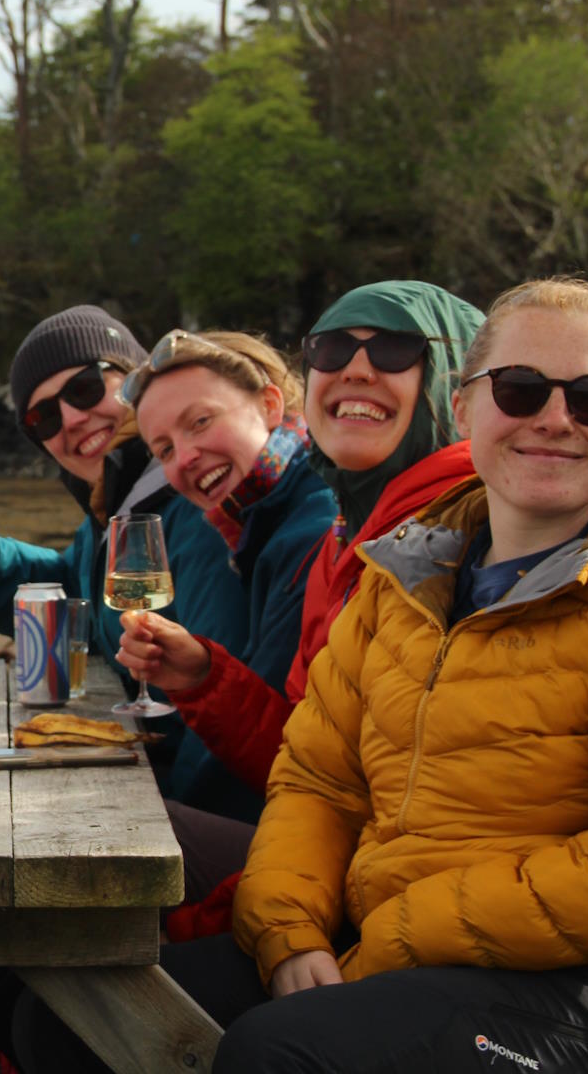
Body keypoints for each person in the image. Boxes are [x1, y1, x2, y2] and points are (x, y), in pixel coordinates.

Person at [15, 277, 588, 1073]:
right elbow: (317, 783)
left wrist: (386, 940)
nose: (554, 418)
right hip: (425, 956)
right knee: (67, 1025)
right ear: (466, 411)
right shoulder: (404, 584)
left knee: (281, 1052)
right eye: (521, 390)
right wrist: (289, 932)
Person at [121, 281, 485, 938]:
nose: (357, 367)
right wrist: (206, 677)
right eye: (333, 349)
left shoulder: (464, 537)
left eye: (396, 349)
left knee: (114, 836)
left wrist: (282, 917)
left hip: (402, 900)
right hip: (328, 856)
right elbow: (313, 757)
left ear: (458, 392)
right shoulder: (340, 538)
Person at [0, 305, 248, 808]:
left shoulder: (193, 503)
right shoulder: (112, 507)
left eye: (86, 388)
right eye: (42, 417)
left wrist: (165, 815)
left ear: (137, 381)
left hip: (210, 809)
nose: (70, 418)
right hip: (160, 777)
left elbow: (229, 696)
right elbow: (80, 589)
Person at [111, 329, 336, 892]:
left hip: (316, 846)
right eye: (163, 450)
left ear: (269, 403)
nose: (185, 458)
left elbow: (290, 750)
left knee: (103, 832)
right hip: (294, 819)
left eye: (201, 422)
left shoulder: (314, 525)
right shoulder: (255, 521)